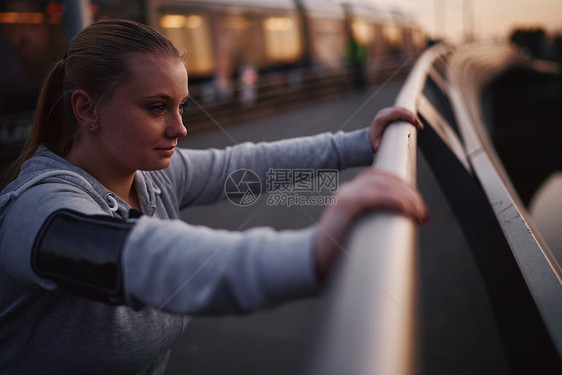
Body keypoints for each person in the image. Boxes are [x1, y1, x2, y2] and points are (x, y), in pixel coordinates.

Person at [0, 19, 427, 374]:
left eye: (182, 107)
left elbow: (243, 164)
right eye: (156, 108)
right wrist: (312, 252)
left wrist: (359, 142)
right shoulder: (38, 212)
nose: (179, 128)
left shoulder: (150, 176)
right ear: (87, 109)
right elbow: (146, 257)